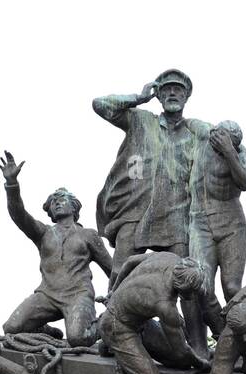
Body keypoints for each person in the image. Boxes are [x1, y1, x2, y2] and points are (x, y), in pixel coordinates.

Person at [93, 69, 213, 355]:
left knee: (188, 278)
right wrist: (139, 97)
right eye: (167, 89)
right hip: (136, 210)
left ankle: (197, 344)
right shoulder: (139, 120)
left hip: (177, 214)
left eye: (178, 90)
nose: (172, 93)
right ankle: (111, 333)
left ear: (187, 96)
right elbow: (100, 105)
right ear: (158, 95)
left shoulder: (195, 133)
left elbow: (231, 148)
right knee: (120, 271)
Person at [0, 151, 112, 346]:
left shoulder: (89, 235)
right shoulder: (43, 233)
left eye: (62, 199)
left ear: (74, 207)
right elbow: (19, 214)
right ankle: (45, 330)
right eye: (53, 202)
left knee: (79, 338)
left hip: (78, 294)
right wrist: (12, 185)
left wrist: (115, 298)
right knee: (12, 327)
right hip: (47, 294)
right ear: (50, 211)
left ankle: (108, 323)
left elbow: (112, 269)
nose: (58, 202)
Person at [99, 252, 212, 374]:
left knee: (176, 360)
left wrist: (113, 291)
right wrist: (202, 363)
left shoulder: (170, 259)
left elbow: (129, 261)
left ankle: (107, 346)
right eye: (192, 293)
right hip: (117, 328)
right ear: (183, 288)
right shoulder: (165, 305)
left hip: (138, 321)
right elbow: (181, 351)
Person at [189, 120, 246, 337]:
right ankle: (222, 334)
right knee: (200, 285)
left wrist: (230, 153)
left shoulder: (243, 156)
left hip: (232, 225)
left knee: (232, 287)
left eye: (230, 143)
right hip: (201, 223)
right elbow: (181, 121)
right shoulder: (202, 135)